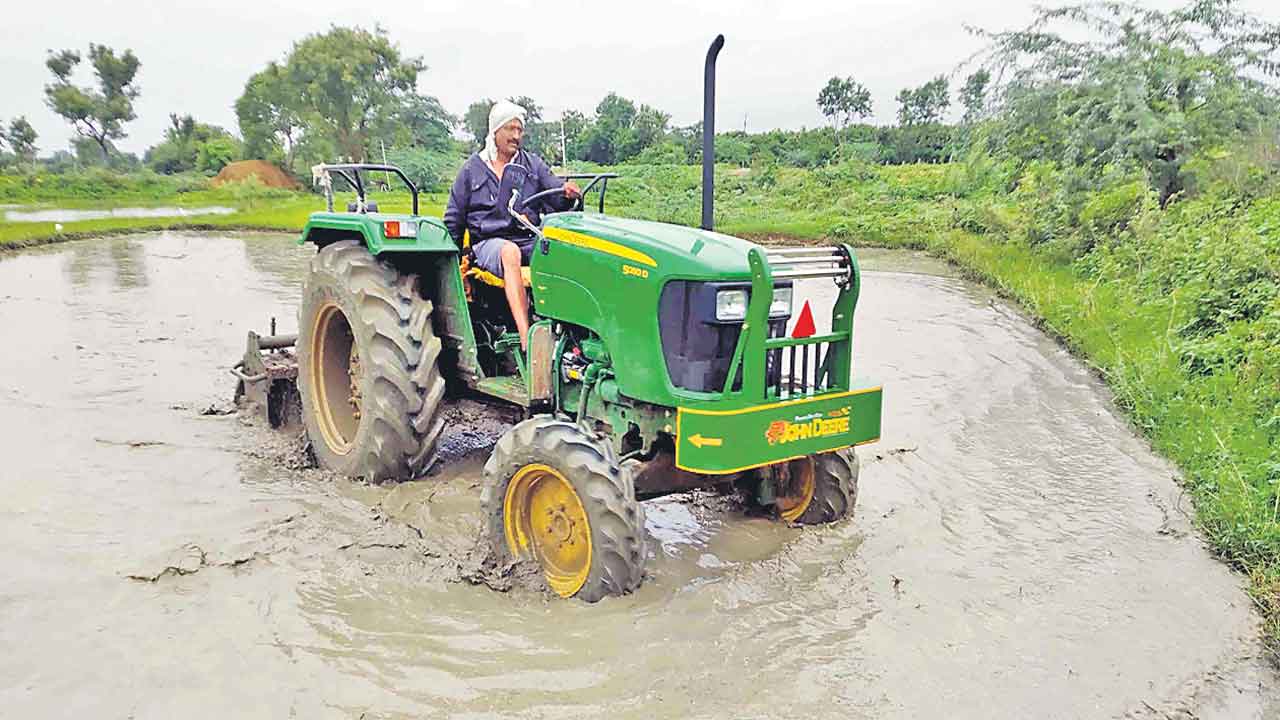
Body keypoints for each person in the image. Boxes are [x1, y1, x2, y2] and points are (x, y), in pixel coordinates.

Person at [443, 100, 581, 349]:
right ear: (495, 131)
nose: (516, 136)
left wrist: (567, 193)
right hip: (489, 245)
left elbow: (555, 194)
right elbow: (454, 220)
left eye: (520, 130)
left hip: (528, 239)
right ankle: (528, 339)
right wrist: (455, 270)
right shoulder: (472, 170)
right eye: (510, 129)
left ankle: (572, 337)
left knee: (568, 248)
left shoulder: (532, 165)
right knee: (509, 252)